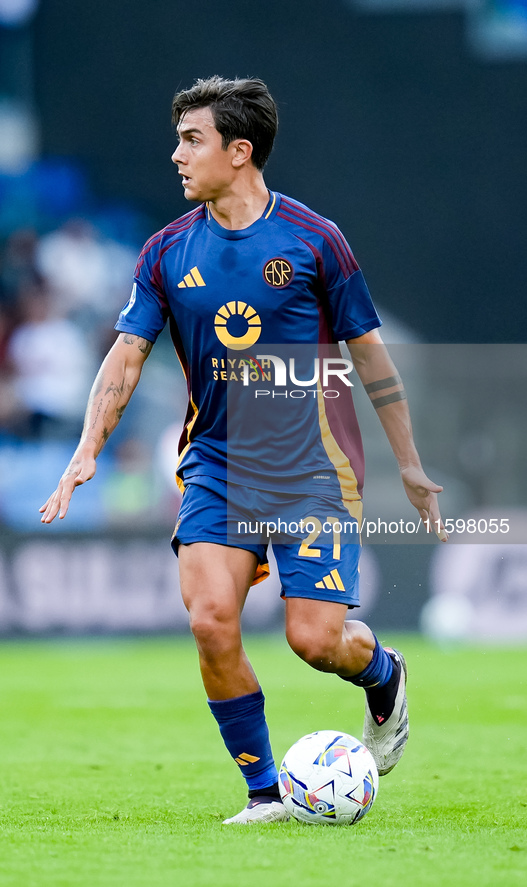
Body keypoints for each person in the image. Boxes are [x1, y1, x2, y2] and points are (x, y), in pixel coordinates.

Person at [40, 76, 447, 825]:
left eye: (190, 140)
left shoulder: (313, 239)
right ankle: (264, 794)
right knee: (209, 619)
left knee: (315, 640)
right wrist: (85, 448)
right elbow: (126, 355)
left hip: (311, 471)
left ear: (239, 151)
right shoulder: (166, 251)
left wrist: (411, 465)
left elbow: (371, 359)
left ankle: (383, 673)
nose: (175, 155)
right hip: (217, 466)